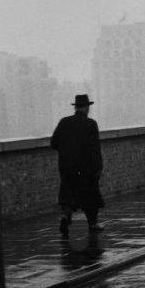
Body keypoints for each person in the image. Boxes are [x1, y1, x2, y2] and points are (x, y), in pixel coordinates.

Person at [51, 94, 104, 237]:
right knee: (90, 195)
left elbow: (54, 143)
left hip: (67, 167)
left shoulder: (64, 122)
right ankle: (92, 223)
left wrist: (67, 154)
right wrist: (98, 167)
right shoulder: (91, 124)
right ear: (86, 108)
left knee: (68, 194)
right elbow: (95, 149)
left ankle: (65, 217)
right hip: (86, 168)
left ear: (76, 107)